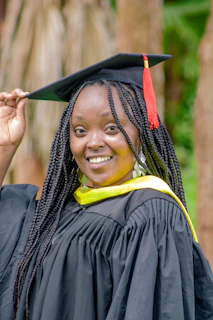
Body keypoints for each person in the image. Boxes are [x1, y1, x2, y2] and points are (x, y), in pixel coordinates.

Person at [0, 53, 213, 320]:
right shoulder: (56, 214)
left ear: (141, 132)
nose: (93, 142)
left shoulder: (151, 213)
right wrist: (4, 147)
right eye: (80, 130)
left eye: (111, 128)